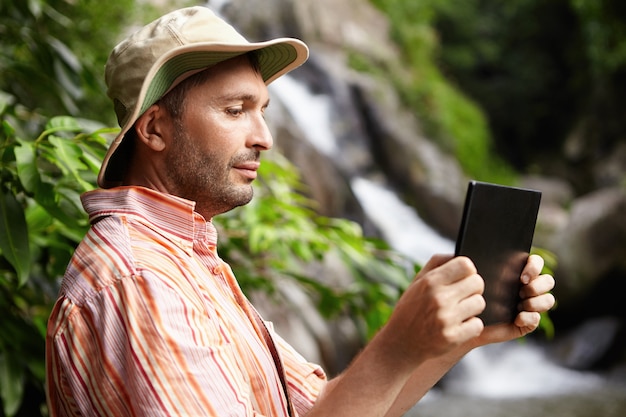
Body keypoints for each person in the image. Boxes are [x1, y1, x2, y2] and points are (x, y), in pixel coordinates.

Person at [45, 6, 556, 417]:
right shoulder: (141, 280)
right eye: (234, 110)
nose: (264, 137)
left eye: (262, 110)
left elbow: (324, 410)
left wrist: (456, 336)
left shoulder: (184, 259)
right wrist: (397, 344)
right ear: (154, 129)